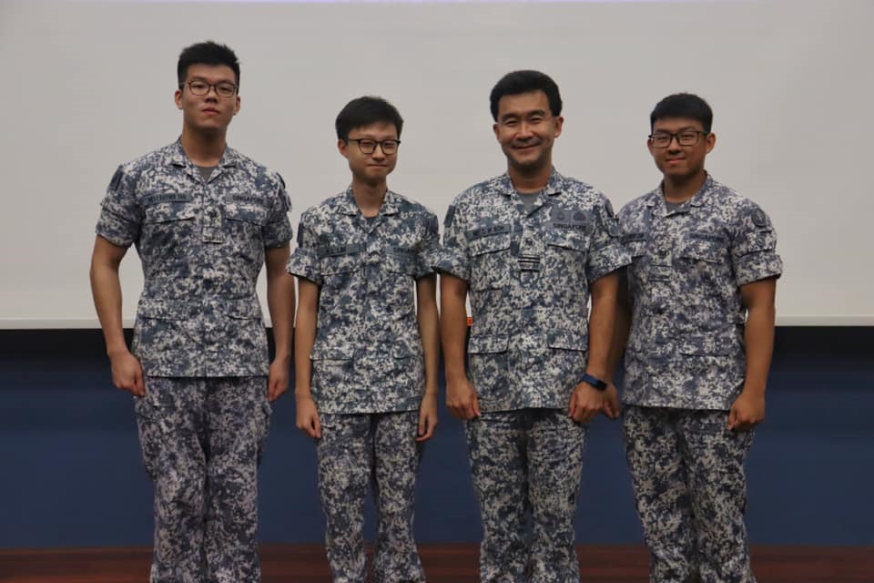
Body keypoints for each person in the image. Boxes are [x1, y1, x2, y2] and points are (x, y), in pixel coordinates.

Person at [89, 41, 294, 583]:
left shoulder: (262, 184)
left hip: (242, 369)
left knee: (237, 503)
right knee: (176, 500)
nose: (211, 96)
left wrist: (283, 352)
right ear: (179, 96)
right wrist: (117, 347)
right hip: (165, 368)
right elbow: (104, 263)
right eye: (200, 86)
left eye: (223, 88)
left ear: (237, 103)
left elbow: (279, 272)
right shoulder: (138, 176)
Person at [434, 70, 630, 582]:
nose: (524, 131)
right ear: (496, 130)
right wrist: (455, 377)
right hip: (489, 396)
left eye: (535, 119)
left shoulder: (589, 205)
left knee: (556, 531)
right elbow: (451, 293)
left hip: (566, 394)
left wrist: (596, 377)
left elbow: (607, 293)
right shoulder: (470, 206)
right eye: (511, 121)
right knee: (498, 532)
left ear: (557, 125)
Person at [609, 93, 783, 583]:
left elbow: (761, 307)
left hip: (715, 400)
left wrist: (753, 391)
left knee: (720, 530)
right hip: (646, 399)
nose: (674, 146)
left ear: (709, 141)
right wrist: (603, 377)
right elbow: (622, 307)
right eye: (663, 137)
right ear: (650, 145)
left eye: (686, 136)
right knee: (661, 529)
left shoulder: (739, 214)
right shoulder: (630, 218)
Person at [287, 96, 440, 583]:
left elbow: (428, 308)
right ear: (343, 147)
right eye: (367, 143)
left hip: (401, 390)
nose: (378, 153)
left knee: (399, 511)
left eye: (388, 143)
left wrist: (430, 390)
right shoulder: (320, 221)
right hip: (337, 392)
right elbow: (305, 309)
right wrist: (303, 391)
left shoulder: (419, 221)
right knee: (342, 509)